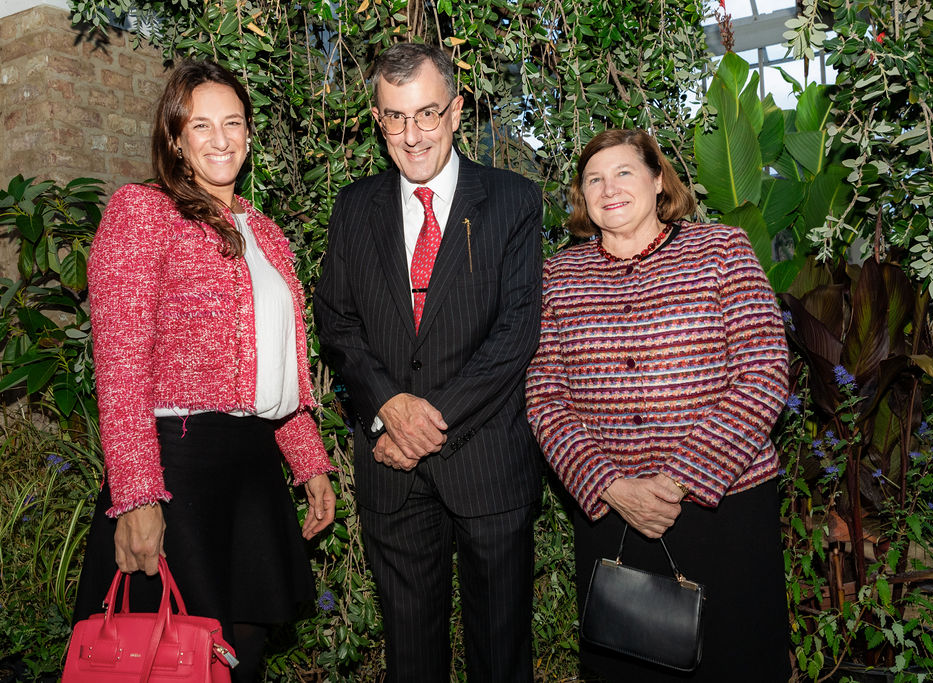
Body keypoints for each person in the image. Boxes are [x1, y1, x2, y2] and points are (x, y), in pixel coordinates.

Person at [72, 60, 337, 683]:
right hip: (177, 466)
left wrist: (310, 463)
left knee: (243, 651)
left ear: (249, 133)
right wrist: (137, 496)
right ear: (175, 138)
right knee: (174, 656)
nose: (221, 139)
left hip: (253, 467)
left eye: (234, 123)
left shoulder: (264, 231)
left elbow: (275, 367)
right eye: (201, 125)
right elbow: (121, 366)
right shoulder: (144, 211)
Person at [314, 42, 544, 682]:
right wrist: (388, 407)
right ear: (377, 119)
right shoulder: (354, 207)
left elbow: (515, 333)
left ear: (457, 111)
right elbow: (337, 321)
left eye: (426, 114)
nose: (411, 135)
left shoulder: (513, 200)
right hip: (392, 471)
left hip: (488, 465)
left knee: (500, 659)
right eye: (394, 117)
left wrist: (424, 422)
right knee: (411, 660)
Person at [525, 129, 791, 681]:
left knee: (737, 661)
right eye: (594, 179)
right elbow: (545, 397)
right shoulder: (557, 277)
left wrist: (677, 481)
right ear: (581, 197)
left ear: (657, 180)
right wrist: (608, 485)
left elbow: (764, 373)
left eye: (624, 172)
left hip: (724, 508)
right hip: (612, 513)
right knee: (628, 666)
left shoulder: (722, 250)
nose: (609, 189)